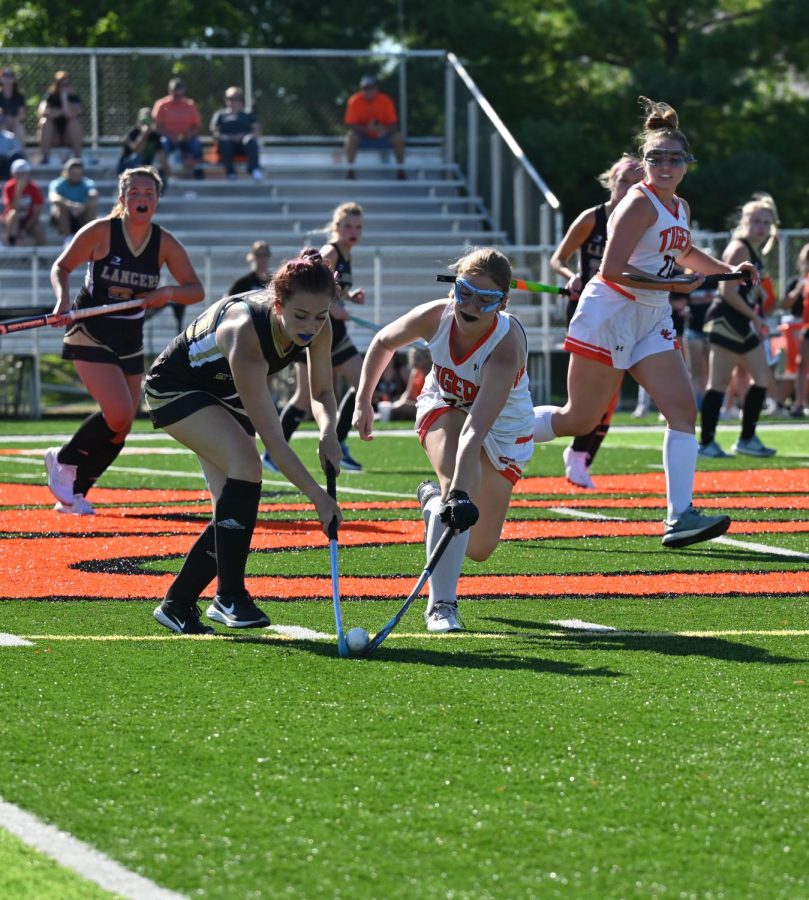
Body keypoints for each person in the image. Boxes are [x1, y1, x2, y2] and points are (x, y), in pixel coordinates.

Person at [531, 97, 759, 549]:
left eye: (675, 158)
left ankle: (679, 517)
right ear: (645, 162)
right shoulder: (638, 203)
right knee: (580, 419)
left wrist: (727, 272)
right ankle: (501, 431)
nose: (666, 165)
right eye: (657, 158)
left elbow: (686, 254)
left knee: (681, 410)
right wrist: (674, 287)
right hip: (611, 311)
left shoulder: (681, 207)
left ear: (688, 164)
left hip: (649, 315)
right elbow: (611, 269)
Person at [146, 249, 343, 635]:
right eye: (300, 316)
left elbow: (321, 392)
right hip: (177, 388)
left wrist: (328, 430)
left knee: (231, 507)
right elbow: (275, 440)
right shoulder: (245, 332)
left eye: (320, 317)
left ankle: (178, 604)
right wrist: (319, 498)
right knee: (248, 467)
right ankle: (230, 596)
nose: (310, 327)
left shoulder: (319, 325)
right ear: (278, 302)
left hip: (227, 394)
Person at [354, 247, 534, 633]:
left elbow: (476, 429)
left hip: (499, 429)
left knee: (479, 547)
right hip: (444, 405)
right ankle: (442, 606)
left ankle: (433, 500)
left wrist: (458, 496)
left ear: (503, 302)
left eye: (485, 299)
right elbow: (384, 342)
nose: (470, 305)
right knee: (457, 487)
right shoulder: (437, 316)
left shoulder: (504, 349)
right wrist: (363, 401)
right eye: (464, 291)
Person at [43, 166, 204, 516]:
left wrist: (169, 292)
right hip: (91, 329)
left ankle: (73, 494)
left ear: (157, 200)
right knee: (116, 413)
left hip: (130, 336)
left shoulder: (163, 242)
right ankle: (64, 458)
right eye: (134, 193)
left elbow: (196, 290)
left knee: (122, 427)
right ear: (122, 198)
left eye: (149, 194)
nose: (141, 199)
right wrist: (62, 301)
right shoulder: (102, 232)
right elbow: (62, 267)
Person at [549, 156, 644, 488]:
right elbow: (558, 259)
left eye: (638, 182)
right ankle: (573, 452)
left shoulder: (644, 220)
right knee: (592, 393)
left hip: (626, 311)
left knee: (611, 394)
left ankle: (581, 456)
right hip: (589, 309)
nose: (631, 188)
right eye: (624, 181)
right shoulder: (593, 218)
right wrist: (570, 275)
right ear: (611, 182)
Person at [267, 202, 366, 473]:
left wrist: (347, 297)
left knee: (356, 384)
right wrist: (335, 307)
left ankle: (280, 450)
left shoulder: (345, 253)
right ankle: (282, 450)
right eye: (347, 225)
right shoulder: (331, 251)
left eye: (358, 226)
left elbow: (332, 291)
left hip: (330, 332)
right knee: (315, 394)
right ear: (335, 227)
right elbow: (313, 287)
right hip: (316, 329)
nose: (352, 231)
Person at [698, 194, 779, 458]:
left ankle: (747, 438)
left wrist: (761, 299)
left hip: (741, 323)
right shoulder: (740, 248)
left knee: (763, 379)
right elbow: (727, 291)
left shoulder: (755, 252)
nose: (761, 227)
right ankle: (706, 442)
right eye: (756, 221)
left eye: (766, 222)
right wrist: (756, 317)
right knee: (718, 383)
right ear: (745, 222)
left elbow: (748, 291)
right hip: (725, 321)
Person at [343, 75, 406, 180]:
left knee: (398, 138)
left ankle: (401, 171)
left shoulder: (386, 101)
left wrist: (383, 129)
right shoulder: (354, 100)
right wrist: (367, 129)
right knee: (350, 137)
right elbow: (349, 124)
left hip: (383, 136)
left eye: (370, 88)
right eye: (365, 88)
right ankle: (350, 171)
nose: (368, 91)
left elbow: (393, 124)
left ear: (376, 88)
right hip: (363, 137)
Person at [151, 77, 204, 180]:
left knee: (196, 145)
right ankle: (161, 172)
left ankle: (198, 172)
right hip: (168, 137)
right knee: (163, 144)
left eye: (179, 92)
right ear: (169, 90)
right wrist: (169, 136)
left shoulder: (190, 105)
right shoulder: (161, 105)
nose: (177, 95)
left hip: (186, 137)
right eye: (174, 91)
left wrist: (189, 134)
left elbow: (197, 125)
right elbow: (156, 126)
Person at [209, 87, 262, 181]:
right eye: (230, 99)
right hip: (227, 146)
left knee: (250, 140)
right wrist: (228, 137)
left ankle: (255, 170)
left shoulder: (248, 114)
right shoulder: (220, 115)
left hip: (243, 146)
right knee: (224, 141)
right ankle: (230, 173)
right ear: (226, 100)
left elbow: (257, 130)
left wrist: (245, 136)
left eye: (236, 99)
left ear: (241, 100)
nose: (233, 102)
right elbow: (214, 131)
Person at [48, 158, 99, 243]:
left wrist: (82, 207)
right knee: (60, 207)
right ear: (66, 172)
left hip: (82, 215)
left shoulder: (88, 183)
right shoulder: (57, 183)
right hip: (62, 218)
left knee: (92, 206)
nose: (76, 175)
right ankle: (68, 239)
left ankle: (87, 237)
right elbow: (53, 197)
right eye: (73, 173)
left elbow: (94, 194)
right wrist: (70, 206)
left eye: (78, 173)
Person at [376, 346, 432, 422]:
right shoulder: (414, 373)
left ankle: (381, 417)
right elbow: (407, 394)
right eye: (413, 357)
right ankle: (382, 416)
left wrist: (401, 404)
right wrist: (398, 403)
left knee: (399, 407)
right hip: (415, 405)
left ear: (426, 359)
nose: (414, 360)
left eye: (418, 358)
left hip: (427, 407)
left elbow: (429, 399)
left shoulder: (430, 374)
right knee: (392, 405)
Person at [37, 71, 83, 163]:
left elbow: (71, 115)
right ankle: (44, 157)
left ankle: (78, 158)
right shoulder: (50, 97)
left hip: (68, 137)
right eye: (61, 84)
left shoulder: (74, 97)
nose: (64, 87)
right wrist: (64, 111)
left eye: (66, 84)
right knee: (45, 122)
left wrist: (64, 100)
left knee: (74, 123)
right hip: (54, 137)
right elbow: (41, 112)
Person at [2, 158, 45, 247]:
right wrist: (19, 191)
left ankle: (41, 258)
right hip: (12, 220)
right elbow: (13, 207)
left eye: (24, 172)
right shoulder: (8, 187)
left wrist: (25, 229)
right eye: (18, 173)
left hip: (29, 220)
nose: (21, 176)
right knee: (14, 215)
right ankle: (12, 244)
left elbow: (37, 212)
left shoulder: (34, 187)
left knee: (39, 231)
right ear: (13, 174)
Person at [118, 107, 169, 178]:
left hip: (146, 167)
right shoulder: (132, 133)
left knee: (160, 172)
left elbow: (162, 158)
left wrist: (168, 173)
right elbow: (138, 150)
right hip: (127, 167)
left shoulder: (155, 136)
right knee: (138, 157)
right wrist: (143, 135)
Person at [0, 67, 27, 145]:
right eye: (5, 76)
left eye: (10, 76)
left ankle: (20, 153)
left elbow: (22, 115)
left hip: (15, 124)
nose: (7, 79)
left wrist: (13, 120)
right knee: (2, 127)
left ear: (14, 79)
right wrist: (4, 119)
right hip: (2, 123)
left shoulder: (19, 97)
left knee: (19, 127)